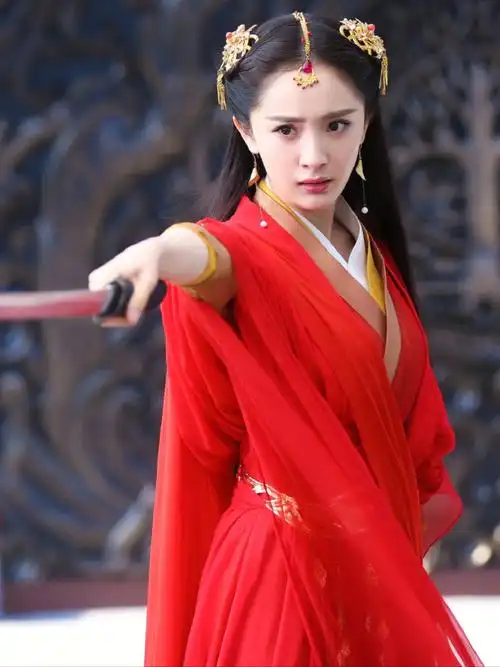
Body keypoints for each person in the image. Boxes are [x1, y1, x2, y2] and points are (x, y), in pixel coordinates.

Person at [89, 12, 483, 667]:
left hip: (369, 570)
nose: (313, 155)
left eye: (337, 125)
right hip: (281, 572)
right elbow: (206, 254)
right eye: (286, 129)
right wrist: (156, 252)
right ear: (245, 130)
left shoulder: (369, 249)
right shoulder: (246, 252)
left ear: (367, 122)